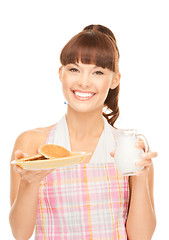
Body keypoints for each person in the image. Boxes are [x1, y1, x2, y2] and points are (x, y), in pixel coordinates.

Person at [9, 24, 158, 240]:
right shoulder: (34, 143)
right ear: (61, 73)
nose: (84, 82)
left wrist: (140, 176)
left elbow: (141, 237)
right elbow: (20, 233)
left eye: (98, 72)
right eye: (74, 69)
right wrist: (29, 182)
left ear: (114, 79)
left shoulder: (130, 148)